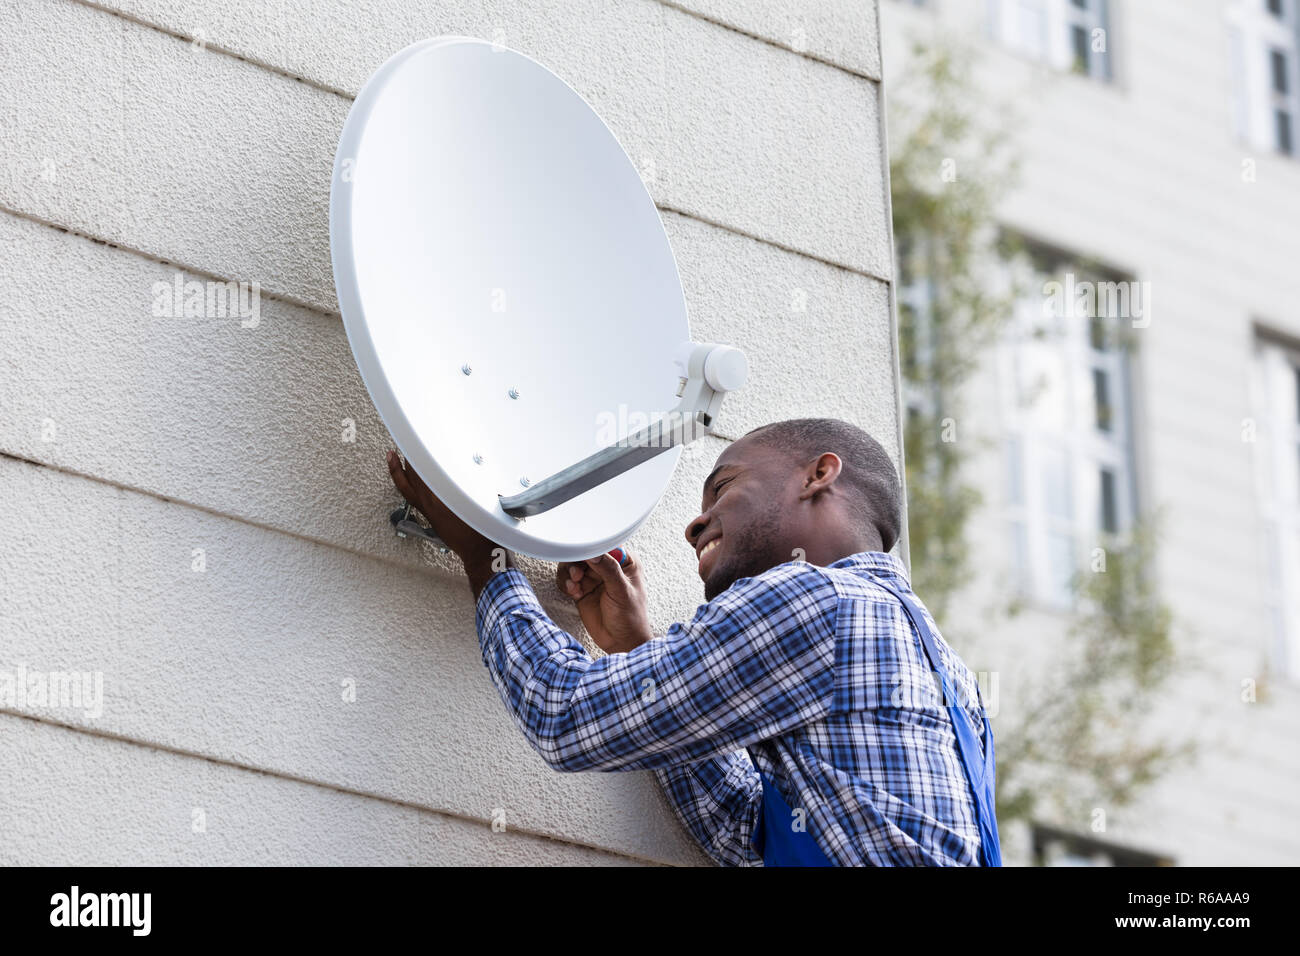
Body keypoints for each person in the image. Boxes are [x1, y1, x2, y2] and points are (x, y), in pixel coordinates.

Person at [386, 416, 1000, 866]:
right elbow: (750, 832)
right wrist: (637, 650)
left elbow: (563, 713)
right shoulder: (955, 687)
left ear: (819, 475)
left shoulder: (817, 603)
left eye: (723, 486)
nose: (694, 523)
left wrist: (484, 559)